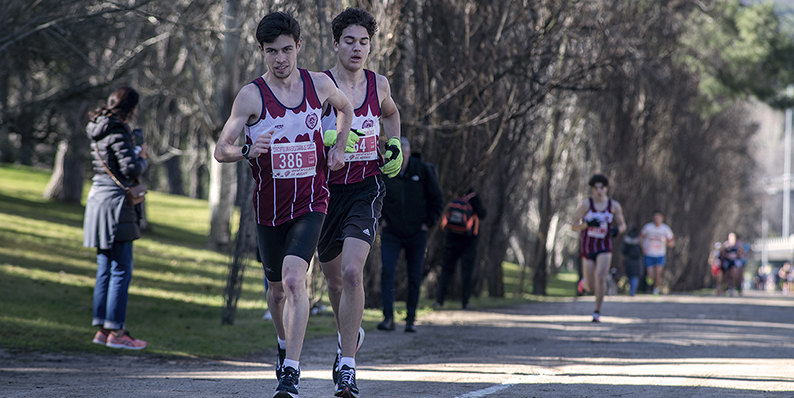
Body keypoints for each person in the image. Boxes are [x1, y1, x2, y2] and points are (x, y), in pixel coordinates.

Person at [213, 11, 354, 398]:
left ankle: (290, 372)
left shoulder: (320, 85)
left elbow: (347, 108)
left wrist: (340, 147)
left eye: (287, 50)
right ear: (261, 51)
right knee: (276, 292)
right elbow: (220, 149)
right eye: (272, 51)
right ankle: (282, 343)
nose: (280, 59)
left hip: (312, 201)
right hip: (269, 208)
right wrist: (246, 148)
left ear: (299, 47)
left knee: (295, 280)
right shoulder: (251, 95)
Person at [315, 7, 402, 398]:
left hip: (366, 186)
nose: (356, 48)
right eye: (348, 40)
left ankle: (347, 367)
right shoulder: (317, 85)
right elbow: (301, 131)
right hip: (324, 192)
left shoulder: (378, 83)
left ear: (370, 46)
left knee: (353, 273)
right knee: (334, 280)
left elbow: (392, 114)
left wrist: (395, 142)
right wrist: (330, 140)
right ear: (335, 44)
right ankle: (347, 336)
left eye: (363, 42)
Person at [83, 86, 149, 350]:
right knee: (121, 268)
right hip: (116, 205)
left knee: (104, 268)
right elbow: (130, 168)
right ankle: (117, 332)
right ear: (130, 109)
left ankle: (102, 329)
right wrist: (142, 158)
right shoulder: (117, 130)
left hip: (97, 199)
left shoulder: (98, 127)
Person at [379, 137, 444, 333]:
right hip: (392, 231)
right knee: (387, 271)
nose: (399, 158)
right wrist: (381, 219)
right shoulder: (387, 171)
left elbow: (437, 199)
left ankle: (410, 318)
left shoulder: (422, 170)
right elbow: (376, 194)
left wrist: (428, 223)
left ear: (407, 153)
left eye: (402, 154)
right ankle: (388, 317)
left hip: (417, 233)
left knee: (414, 275)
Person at [571, 174, 627, 322]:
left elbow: (623, 225)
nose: (599, 191)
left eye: (602, 188)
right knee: (590, 287)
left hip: (604, 247)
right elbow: (573, 225)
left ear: (606, 188)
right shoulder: (586, 205)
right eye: (596, 188)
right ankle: (584, 283)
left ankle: (597, 312)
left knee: (601, 278)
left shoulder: (613, 206)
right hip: (588, 248)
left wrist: (617, 230)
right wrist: (588, 225)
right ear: (592, 190)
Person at [434, 187, 487, 309]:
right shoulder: (473, 197)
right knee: (467, 271)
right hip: (469, 241)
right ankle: (465, 302)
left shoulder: (452, 193)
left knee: (446, 270)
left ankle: (439, 300)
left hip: (451, 238)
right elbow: (483, 214)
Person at [640, 210, 675, 296]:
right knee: (651, 274)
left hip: (660, 254)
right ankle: (650, 279)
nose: (656, 219)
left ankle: (655, 290)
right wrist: (643, 247)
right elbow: (640, 237)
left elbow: (672, 243)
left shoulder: (666, 229)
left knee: (658, 273)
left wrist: (666, 241)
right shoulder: (648, 227)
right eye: (655, 217)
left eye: (658, 217)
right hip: (649, 254)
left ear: (662, 218)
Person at [621, 227, 643, 296]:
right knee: (635, 276)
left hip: (629, 259)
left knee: (630, 276)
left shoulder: (627, 239)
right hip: (637, 260)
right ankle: (632, 292)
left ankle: (631, 291)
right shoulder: (640, 240)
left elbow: (623, 250)